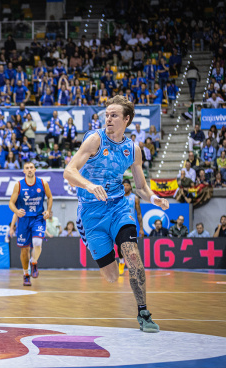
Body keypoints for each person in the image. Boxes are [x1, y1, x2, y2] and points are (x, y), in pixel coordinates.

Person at [64, 95, 169, 333]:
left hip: (119, 208)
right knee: (111, 276)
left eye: (114, 115)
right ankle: (98, 242)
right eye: (107, 115)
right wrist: (89, 185)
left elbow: (140, 187)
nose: (108, 119)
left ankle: (143, 312)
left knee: (134, 258)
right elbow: (69, 172)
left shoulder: (133, 149)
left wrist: (153, 198)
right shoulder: (94, 140)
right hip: (91, 211)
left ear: (127, 120)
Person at [9, 161, 53, 286]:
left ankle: (34, 262)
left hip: (38, 218)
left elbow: (50, 197)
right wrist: (17, 211)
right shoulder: (18, 185)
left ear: (35, 170)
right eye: (27, 168)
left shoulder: (43, 183)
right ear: (23, 171)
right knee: (24, 250)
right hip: (23, 219)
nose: (29, 170)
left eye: (31, 167)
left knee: (38, 242)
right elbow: (11, 203)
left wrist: (48, 211)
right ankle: (25, 274)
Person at [118, 179, 144, 275]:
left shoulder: (135, 198)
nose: (125, 187)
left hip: (131, 225)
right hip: (120, 224)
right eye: (123, 185)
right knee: (120, 246)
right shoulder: (118, 198)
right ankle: (121, 262)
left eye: (127, 185)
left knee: (133, 247)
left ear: (130, 186)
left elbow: (139, 214)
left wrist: (141, 228)